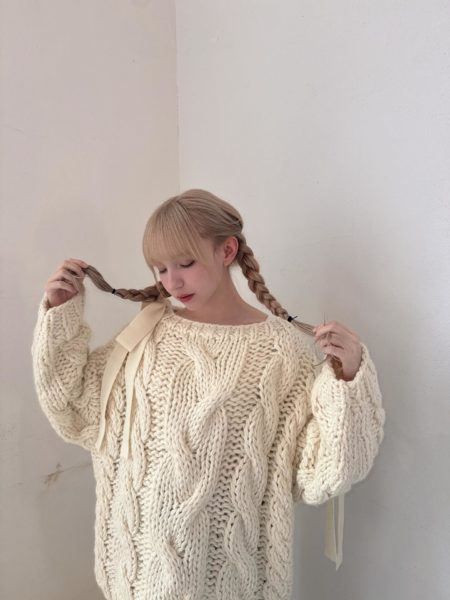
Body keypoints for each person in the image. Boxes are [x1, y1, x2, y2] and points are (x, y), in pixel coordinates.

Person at [31, 189, 385, 600]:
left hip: (234, 583)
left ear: (227, 250)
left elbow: (321, 471)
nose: (172, 282)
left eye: (186, 263)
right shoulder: (147, 332)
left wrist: (349, 378)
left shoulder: (282, 352)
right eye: (160, 269)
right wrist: (60, 311)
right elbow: (74, 405)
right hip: (138, 577)